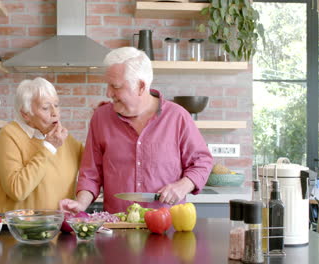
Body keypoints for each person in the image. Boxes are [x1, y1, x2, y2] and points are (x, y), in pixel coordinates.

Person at [60, 47, 213, 214]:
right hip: (117, 226)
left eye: (115, 86)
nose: (108, 92)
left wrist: (183, 186)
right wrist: (80, 204)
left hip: (168, 225)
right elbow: (91, 173)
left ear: (141, 86)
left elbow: (202, 162)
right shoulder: (101, 118)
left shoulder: (178, 117)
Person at [0, 77, 83, 213]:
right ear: (26, 114)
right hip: (21, 231)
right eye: (46, 108)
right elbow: (17, 190)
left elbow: (96, 164)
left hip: (59, 229)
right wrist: (49, 147)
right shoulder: (10, 134)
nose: (55, 113)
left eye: (56, 105)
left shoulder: (65, 139)